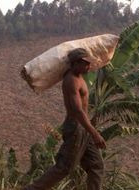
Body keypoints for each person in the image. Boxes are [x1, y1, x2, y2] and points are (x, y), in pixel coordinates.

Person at [23, 48, 106, 190]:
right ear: (76, 63)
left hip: (84, 128)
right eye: (86, 63)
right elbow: (78, 111)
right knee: (64, 167)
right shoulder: (71, 81)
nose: (89, 66)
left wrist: (89, 130)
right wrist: (94, 133)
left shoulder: (79, 77)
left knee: (96, 166)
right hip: (75, 127)